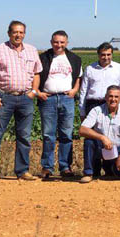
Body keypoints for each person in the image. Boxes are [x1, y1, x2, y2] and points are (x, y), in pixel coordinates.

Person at [0, 20, 42, 183]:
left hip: (25, 98)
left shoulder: (32, 51)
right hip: (4, 97)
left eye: (21, 32)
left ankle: (22, 171)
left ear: (24, 34)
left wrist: (33, 92)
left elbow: (37, 73)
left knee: (24, 136)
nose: (18, 35)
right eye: (15, 32)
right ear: (9, 33)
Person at [35, 30, 83, 178]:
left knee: (66, 135)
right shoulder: (43, 57)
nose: (59, 45)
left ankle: (65, 167)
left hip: (66, 99)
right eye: (56, 42)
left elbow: (78, 77)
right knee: (48, 134)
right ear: (51, 42)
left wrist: (75, 90)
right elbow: (35, 75)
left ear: (67, 43)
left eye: (62, 42)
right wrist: (38, 91)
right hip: (48, 99)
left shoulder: (74, 58)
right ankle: (47, 167)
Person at [78, 85, 120, 182]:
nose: (113, 99)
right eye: (110, 96)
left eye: (116, 97)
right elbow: (82, 130)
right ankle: (88, 173)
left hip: (118, 149)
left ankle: (113, 169)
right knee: (89, 141)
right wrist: (102, 138)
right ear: (106, 97)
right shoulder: (97, 110)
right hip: (100, 147)